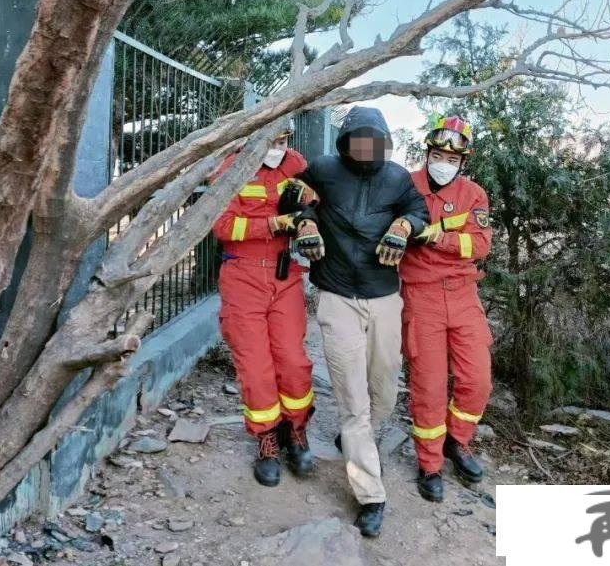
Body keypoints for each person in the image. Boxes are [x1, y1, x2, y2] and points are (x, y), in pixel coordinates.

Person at [294, 106, 429, 537]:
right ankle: (371, 495)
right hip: (336, 297)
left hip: (385, 297)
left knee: (384, 389)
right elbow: (293, 200)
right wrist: (306, 223)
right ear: (345, 141)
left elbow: (420, 211)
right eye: (358, 139)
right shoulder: (324, 170)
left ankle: (359, 436)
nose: (365, 147)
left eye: (374, 140)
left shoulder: (397, 178)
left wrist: (405, 226)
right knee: (353, 400)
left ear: (385, 143)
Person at [210, 121, 317, 488]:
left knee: (293, 360)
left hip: (285, 275)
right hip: (242, 275)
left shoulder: (295, 163)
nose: (278, 147)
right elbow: (223, 227)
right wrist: (273, 223)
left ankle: (295, 430)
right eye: (270, 140)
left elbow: (313, 201)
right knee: (255, 367)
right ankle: (267, 439)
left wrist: (307, 217)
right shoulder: (231, 168)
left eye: (283, 140)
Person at [398, 114, 493, 503]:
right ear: (428, 153)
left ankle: (458, 441)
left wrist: (437, 237)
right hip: (421, 297)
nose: (444, 163)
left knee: (477, 381)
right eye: (438, 154)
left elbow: (481, 245)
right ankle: (430, 463)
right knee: (429, 387)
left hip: (463, 295)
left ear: (463, 161)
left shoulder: (475, 194)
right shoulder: (405, 187)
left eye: (452, 159)